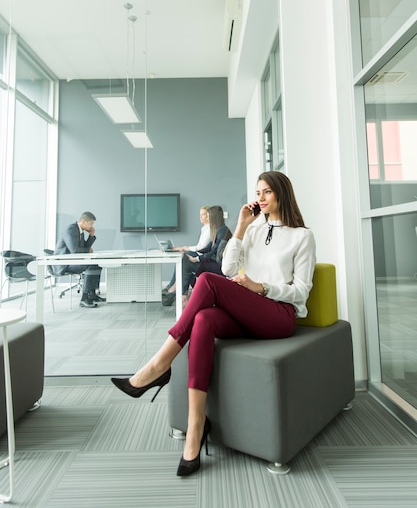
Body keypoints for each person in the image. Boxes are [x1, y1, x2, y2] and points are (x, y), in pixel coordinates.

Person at [111, 171, 316, 477]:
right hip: (250, 313)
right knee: (204, 319)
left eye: (267, 193)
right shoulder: (255, 230)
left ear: (282, 194)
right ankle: (196, 427)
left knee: (206, 279)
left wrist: (261, 288)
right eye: (258, 192)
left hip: (278, 315)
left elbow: (301, 292)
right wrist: (243, 228)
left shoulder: (302, 236)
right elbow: (228, 267)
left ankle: (158, 365)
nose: (259, 198)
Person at [180, 205, 231, 306]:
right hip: (213, 261)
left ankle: (184, 295)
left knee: (187, 263)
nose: (207, 218)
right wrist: (197, 254)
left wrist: (197, 258)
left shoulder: (223, 230)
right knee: (186, 259)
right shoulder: (219, 229)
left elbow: (214, 250)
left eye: (208, 216)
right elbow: (209, 247)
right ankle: (185, 294)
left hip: (219, 265)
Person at [162, 205, 210, 306]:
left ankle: (174, 288)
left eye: (202, 215)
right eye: (199, 215)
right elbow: (199, 247)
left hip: (203, 258)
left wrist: (185, 247)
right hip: (200, 254)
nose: (200, 217)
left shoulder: (209, 229)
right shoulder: (205, 228)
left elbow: (201, 248)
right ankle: (175, 288)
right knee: (184, 257)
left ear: (209, 216)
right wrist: (185, 248)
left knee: (185, 258)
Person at [53, 211, 103, 308]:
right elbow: (75, 251)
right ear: (83, 222)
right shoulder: (71, 230)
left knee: (96, 265)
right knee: (90, 265)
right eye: (91, 223)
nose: (91, 226)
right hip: (64, 264)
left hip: (72, 261)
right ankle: (84, 298)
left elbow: (84, 248)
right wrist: (87, 250)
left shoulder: (80, 231)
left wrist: (91, 236)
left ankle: (92, 294)